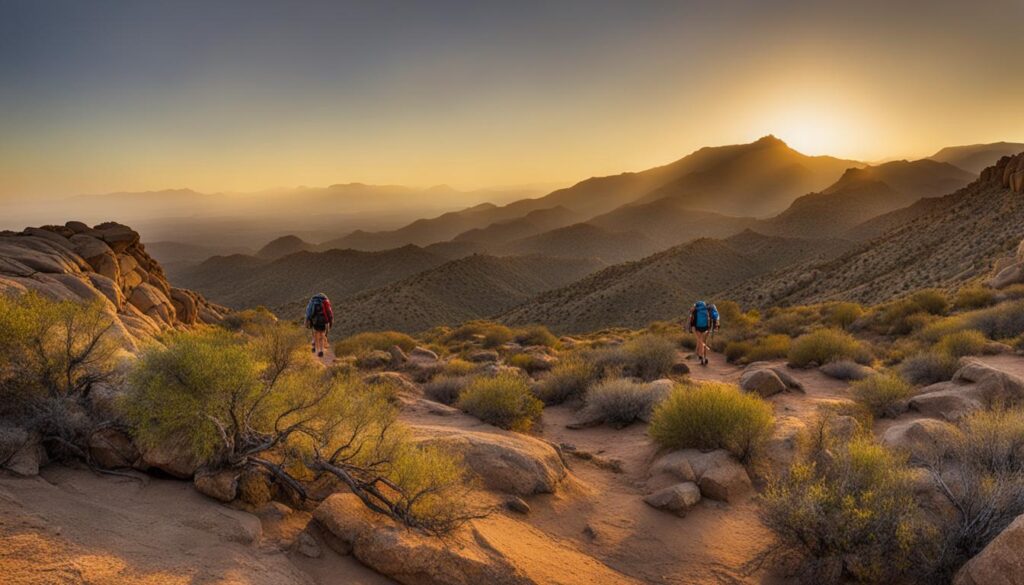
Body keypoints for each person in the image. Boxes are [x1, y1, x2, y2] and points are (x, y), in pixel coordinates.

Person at [687, 300, 720, 366]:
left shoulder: (696, 309)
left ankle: (701, 356)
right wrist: (715, 326)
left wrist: (691, 328)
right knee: (704, 341)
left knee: (700, 341)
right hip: (706, 327)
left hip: (697, 327)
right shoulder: (708, 309)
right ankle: (704, 357)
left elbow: (691, 319)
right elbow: (716, 316)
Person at [304, 292, 334, 358]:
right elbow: (330, 313)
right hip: (323, 321)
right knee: (322, 334)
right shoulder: (325, 301)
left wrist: (307, 321)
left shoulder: (312, 301)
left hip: (314, 321)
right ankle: (321, 351)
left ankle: (314, 345)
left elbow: (308, 312)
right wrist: (331, 322)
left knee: (315, 333)